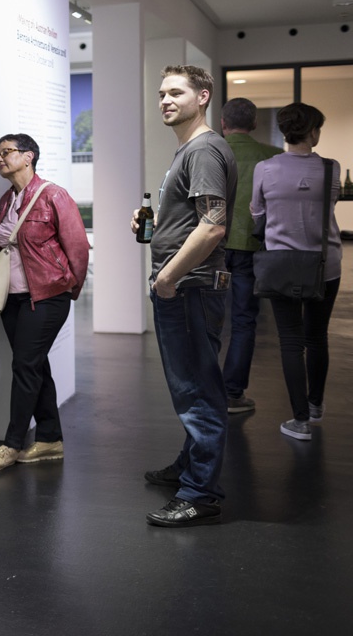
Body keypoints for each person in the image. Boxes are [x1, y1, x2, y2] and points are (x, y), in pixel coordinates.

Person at [135, 65, 236, 528]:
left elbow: (213, 226)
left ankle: (200, 493)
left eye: (176, 92)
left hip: (190, 286)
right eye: (162, 93)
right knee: (190, 387)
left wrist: (166, 278)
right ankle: (189, 466)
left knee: (198, 391)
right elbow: (195, 219)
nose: (165, 100)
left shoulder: (205, 150)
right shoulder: (189, 150)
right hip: (186, 284)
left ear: (203, 96)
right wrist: (156, 226)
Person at [0, 135, 89, 471]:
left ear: (29, 157)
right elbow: (0, 244)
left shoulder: (54, 195)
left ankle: (12, 444)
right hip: (12, 298)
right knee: (35, 365)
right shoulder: (6, 199)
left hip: (47, 297)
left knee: (25, 366)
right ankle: (50, 439)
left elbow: (78, 248)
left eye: (7, 152)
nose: (0, 159)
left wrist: (68, 288)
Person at [251, 102, 342, 441]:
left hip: (281, 266)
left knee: (291, 341)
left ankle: (300, 421)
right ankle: (316, 407)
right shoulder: (332, 169)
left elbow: (257, 213)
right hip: (325, 265)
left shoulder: (265, 169)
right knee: (316, 337)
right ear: (313, 132)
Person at [219, 97, 281, 414]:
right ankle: (232, 393)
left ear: (223, 124)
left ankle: (205, 392)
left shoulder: (211, 152)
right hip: (250, 247)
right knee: (244, 321)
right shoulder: (272, 156)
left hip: (212, 247)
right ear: (255, 124)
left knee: (207, 319)